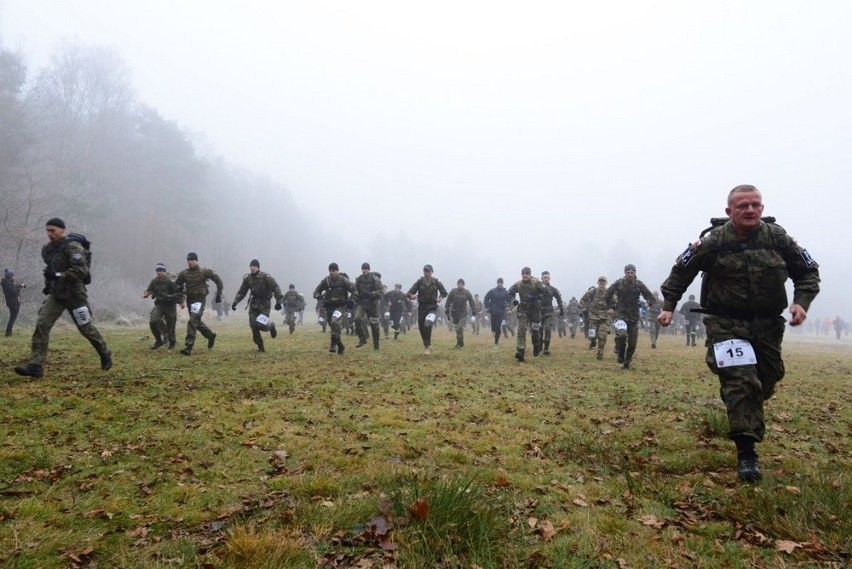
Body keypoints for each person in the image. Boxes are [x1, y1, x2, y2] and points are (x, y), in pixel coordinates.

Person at [658, 184, 820, 483]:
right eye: (743, 206)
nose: (750, 210)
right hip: (726, 324)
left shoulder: (778, 238)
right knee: (742, 381)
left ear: (762, 207)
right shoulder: (713, 241)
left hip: (767, 325)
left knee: (765, 382)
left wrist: (801, 301)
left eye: (755, 205)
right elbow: (681, 271)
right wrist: (669, 306)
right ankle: (747, 454)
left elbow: (808, 271)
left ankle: (740, 398)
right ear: (729, 211)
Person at [14, 218, 112, 378]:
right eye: (47, 231)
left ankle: (104, 352)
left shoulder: (73, 247)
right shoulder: (47, 250)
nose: (50, 234)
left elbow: (82, 270)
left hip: (75, 294)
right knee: (42, 323)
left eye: (53, 230)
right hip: (57, 294)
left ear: (62, 230)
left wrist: (59, 275)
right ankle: (35, 365)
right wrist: (48, 284)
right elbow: (50, 269)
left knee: (85, 327)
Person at [606, 264, 656, 369]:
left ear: (635, 273)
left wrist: (647, 304)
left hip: (633, 316)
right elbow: (607, 294)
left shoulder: (639, 284)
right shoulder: (618, 283)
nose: (630, 274)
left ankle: (627, 362)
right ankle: (620, 351)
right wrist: (610, 307)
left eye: (632, 273)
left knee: (632, 344)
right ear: (625, 273)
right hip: (620, 314)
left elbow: (651, 297)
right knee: (622, 335)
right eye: (628, 273)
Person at [175, 252, 224, 356]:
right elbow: (177, 285)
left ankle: (188, 347)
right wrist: (180, 296)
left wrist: (219, 294)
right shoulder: (184, 273)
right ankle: (210, 335)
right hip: (190, 300)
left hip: (199, 300)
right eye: (188, 260)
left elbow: (218, 280)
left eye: (192, 260)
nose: (190, 262)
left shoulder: (204, 271)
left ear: (196, 261)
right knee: (196, 321)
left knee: (192, 321)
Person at [231, 259, 283, 352]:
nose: (252, 268)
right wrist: (236, 301)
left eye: (254, 266)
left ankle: (270, 325)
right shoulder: (248, 279)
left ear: (258, 267)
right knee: (253, 325)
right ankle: (260, 347)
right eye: (251, 266)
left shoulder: (266, 277)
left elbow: (275, 287)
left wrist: (278, 301)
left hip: (264, 304)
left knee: (261, 324)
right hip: (254, 304)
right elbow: (242, 291)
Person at [313, 263, 357, 354]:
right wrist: (318, 296)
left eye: (333, 270)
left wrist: (351, 301)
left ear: (337, 271)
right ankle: (340, 346)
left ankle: (333, 344)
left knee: (334, 322)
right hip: (329, 307)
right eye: (330, 271)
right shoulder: (326, 281)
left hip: (340, 307)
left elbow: (354, 291)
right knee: (332, 326)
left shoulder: (344, 280)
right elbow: (316, 291)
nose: (331, 272)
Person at [506, 267, 548, 362]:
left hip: (535, 311)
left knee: (535, 331)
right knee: (521, 329)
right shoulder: (518, 284)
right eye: (523, 273)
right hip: (523, 310)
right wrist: (513, 300)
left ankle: (536, 344)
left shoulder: (536, 283)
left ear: (530, 274)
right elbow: (509, 293)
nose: (525, 275)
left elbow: (546, 292)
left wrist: (538, 297)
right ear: (521, 274)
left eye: (527, 273)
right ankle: (521, 352)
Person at [407, 264, 448, 355]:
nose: (426, 273)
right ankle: (426, 343)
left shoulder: (436, 282)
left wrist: (440, 298)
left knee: (427, 324)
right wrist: (412, 296)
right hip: (422, 307)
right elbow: (409, 292)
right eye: (425, 271)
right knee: (421, 327)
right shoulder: (419, 282)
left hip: (432, 307)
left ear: (432, 272)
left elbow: (444, 293)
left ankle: (427, 346)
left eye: (428, 271)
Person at [142, 263, 183, 350]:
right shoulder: (155, 281)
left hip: (170, 306)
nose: (158, 273)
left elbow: (179, 292)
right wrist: (146, 294)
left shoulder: (170, 281)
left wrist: (181, 302)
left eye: (160, 271)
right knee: (153, 321)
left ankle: (172, 342)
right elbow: (150, 289)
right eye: (157, 271)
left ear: (164, 271)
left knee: (171, 325)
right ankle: (158, 340)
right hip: (159, 305)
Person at [354, 262, 384, 350]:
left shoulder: (375, 279)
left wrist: (371, 294)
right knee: (357, 318)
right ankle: (362, 338)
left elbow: (381, 291)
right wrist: (353, 299)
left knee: (374, 325)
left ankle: (376, 345)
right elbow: (355, 291)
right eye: (363, 269)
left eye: (366, 269)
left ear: (369, 270)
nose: (364, 270)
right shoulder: (359, 279)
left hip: (373, 305)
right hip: (362, 304)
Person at [581, 276, 612, 360]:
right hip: (593, 317)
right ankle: (592, 341)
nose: (602, 283)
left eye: (603, 281)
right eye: (600, 281)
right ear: (597, 282)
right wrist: (584, 309)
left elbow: (616, 303)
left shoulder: (610, 292)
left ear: (606, 283)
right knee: (592, 336)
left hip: (604, 318)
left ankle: (600, 352)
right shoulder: (592, 292)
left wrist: (612, 309)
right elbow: (582, 301)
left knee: (602, 336)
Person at [445, 278, 477, 348]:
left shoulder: (467, 292)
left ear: (463, 285)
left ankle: (459, 343)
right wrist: (447, 308)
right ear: (457, 285)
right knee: (457, 329)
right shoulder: (453, 292)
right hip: (454, 312)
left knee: (460, 327)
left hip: (463, 313)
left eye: (461, 284)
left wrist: (474, 309)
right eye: (459, 284)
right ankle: (460, 341)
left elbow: (471, 301)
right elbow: (448, 300)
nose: (460, 285)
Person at [539, 271, 564, 356]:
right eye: (544, 277)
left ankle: (546, 349)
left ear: (549, 278)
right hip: (538, 312)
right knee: (539, 330)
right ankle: (539, 344)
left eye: (547, 277)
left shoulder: (553, 289)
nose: (546, 279)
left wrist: (561, 310)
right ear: (541, 278)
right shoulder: (537, 288)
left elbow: (559, 299)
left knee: (547, 329)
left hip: (549, 312)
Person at [483, 278, 511, 348]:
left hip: (501, 312)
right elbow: (486, 299)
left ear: (502, 283)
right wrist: (487, 307)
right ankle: (496, 332)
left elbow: (508, 300)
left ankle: (496, 343)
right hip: (493, 312)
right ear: (497, 283)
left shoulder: (505, 292)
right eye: (498, 283)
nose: (500, 284)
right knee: (493, 328)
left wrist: (507, 306)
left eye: (501, 283)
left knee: (498, 327)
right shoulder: (492, 291)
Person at [2, 268, 25, 337]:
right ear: (10, 276)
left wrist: (19, 285)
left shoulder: (7, 283)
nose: (14, 277)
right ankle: (8, 334)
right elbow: (14, 292)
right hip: (13, 303)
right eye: (13, 276)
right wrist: (20, 288)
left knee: (12, 317)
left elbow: (13, 288)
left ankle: (9, 333)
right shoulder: (8, 284)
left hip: (11, 303)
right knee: (12, 318)